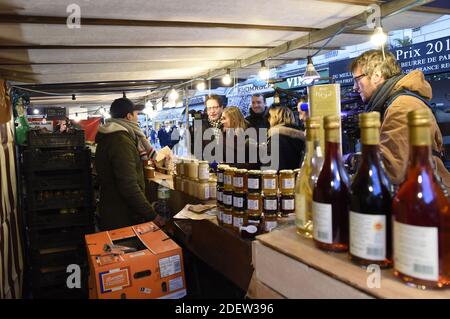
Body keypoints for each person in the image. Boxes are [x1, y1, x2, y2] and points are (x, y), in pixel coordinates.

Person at [350, 49, 450, 191]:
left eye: (357, 79)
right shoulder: (398, 103)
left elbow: (392, 170)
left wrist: (352, 166)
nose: (355, 87)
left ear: (376, 76)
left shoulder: (401, 107)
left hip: (423, 198)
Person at [95, 97, 164, 231]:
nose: (137, 119)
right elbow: (128, 185)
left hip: (114, 208)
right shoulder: (120, 141)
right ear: (128, 116)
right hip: (121, 215)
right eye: (136, 114)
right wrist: (152, 215)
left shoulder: (114, 136)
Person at [264, 106, 305, 171]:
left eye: (270, 117)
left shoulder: (275, 138)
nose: (268, 120)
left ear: (276, 118)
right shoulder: (302, 137)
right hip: (298, 177)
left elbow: (273, 168)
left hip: (281, 178)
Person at [189, 94, 224, 160]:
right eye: (209, 108)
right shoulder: (201, 127)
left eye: (215, 107)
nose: (212, 111)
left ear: (221, 108)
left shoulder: (227, 125)